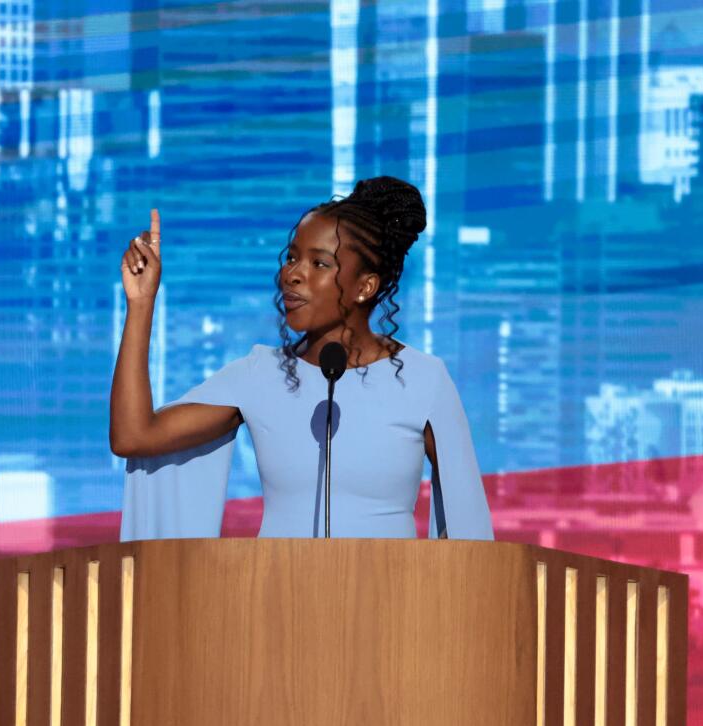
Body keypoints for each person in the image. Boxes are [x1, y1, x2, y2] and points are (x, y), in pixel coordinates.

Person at [110, 176, 493, 540]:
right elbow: (133, 436)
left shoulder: (424, 379)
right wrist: (141, 304)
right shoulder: (260, 375)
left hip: (391, 603)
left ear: (365, 286)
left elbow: (466, 527)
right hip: (279, 600)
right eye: (292, 258)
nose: (292, 274)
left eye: (319, 263)